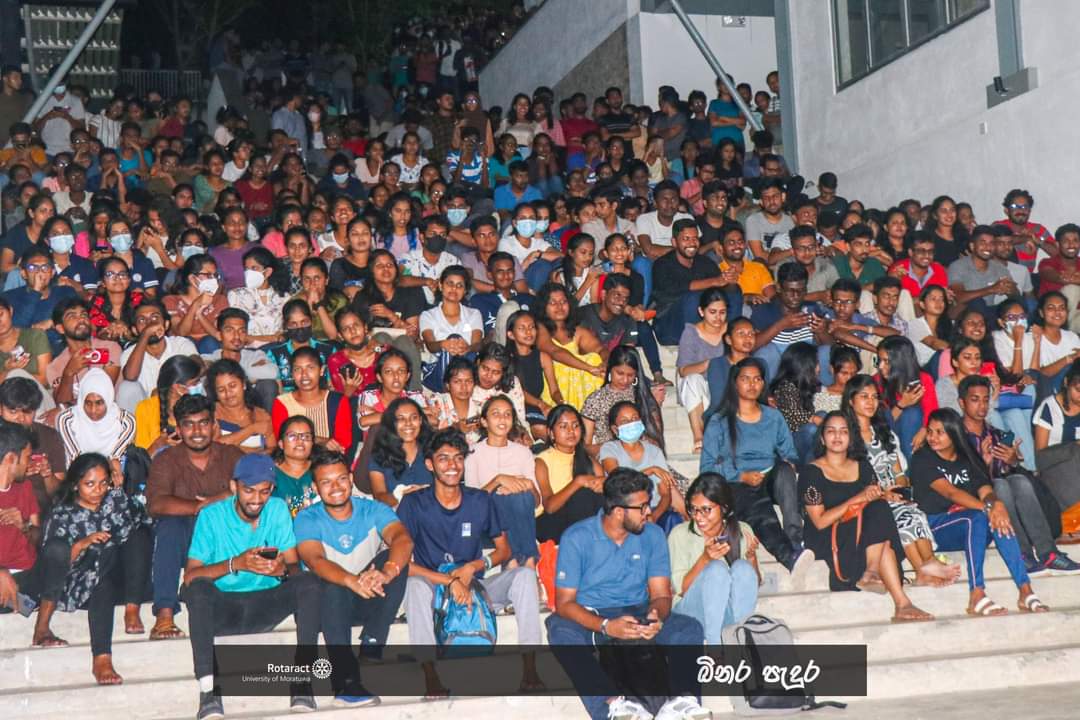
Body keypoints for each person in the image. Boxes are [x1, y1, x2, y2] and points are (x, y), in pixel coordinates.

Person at [546, 467, 709, 720]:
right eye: (642, 507)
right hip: (593, 615)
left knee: (688, 628)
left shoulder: (653, 534)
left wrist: (656, 617)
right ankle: (612, 707)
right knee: (559, 630)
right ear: (618, 511)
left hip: (638, 610)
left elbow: (661, 595)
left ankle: (682, 703)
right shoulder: (577, 537)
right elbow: (565, 603)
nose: (648, 512)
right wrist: (606, 626)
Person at [396, 428, 544, 699]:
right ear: (429, 464)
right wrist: (450, 581)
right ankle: (430, 674)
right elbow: (399, 562)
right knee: (414, 585)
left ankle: (531, 668)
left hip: (474, 587)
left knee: (524, 576)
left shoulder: (479, 500)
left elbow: (503, 550)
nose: (452, 465)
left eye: (457, 458)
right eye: (443, 459)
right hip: (434, 587)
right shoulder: (414, 503)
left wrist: (472, 568)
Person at [181, 453, 322, 718]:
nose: (257, 499)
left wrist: (282, 570)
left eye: (264, 491)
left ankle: (302, 681)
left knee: (308, 582)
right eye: (249, 490)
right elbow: (190, 576)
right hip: (224, 607)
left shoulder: (277, 509)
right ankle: (208, 691)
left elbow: (293, 565)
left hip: (265, 604)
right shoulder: (212, 516)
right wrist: (236, 563)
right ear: (234, 487)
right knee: (197, 589)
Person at [295, 448, 412, 706]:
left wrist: (386, 572)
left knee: (394, 560)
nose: (335, 487)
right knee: (331, 585)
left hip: (367, 597)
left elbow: (402, 538)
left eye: (341, 479)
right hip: (328, 608)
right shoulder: (307, 518)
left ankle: (372, 641)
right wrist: (352, 580)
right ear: (315, 488)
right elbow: (315, 560)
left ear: (350, 479)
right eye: (326, 482)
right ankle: (345, 683)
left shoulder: (372, 509)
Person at [28, 452, 152, 684]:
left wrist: (122, 493)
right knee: (101, 580)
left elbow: (143, 531)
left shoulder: (116, 500)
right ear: (75, 485)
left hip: (123, 579)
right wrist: (83, 544)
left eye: (103, 483)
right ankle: (102, 660)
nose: (98, 490)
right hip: (81, 584)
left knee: (138, 535)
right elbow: (54, 564)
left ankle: (132, 609)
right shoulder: (62, 513)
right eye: (90, 484)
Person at [911, 408, 1048, 616]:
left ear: (954, 433)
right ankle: (976, 593)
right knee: (977, 516)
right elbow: (950, 492)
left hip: (969, 525)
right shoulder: (922, 458)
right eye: (930, 431)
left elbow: (984, 489)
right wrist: (988, 508)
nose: (932, 437)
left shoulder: (967, 456)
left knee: (998, 517)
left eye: (939, 432)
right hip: (935, 527)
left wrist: (996, 504)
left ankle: (1025, 589)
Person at [799, 412, 934, 620]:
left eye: (844, 431)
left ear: (851, 437)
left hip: (862, 532)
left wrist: (884, 495)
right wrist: (857, 499)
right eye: (831, 431)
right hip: (828, 535)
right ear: (822, 438)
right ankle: (885, 586)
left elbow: (871, 500)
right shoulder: (811, 472)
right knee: (880, 529)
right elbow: (819, 521)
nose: (837, 436)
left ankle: (888, 589)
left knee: (880, 512)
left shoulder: (862, 466)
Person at [841, 375, 960, 586]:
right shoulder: (845, 437)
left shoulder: (884, 432)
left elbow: (899, 471)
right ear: (851, 400)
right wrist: (884, 494)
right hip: (867, 500)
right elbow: (849, 480)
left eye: (874, 397)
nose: (871, 402)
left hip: (894, 495)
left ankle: (923, 569)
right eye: (864, 397)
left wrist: (901, 488)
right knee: (905, 514)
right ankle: (928, 563)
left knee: (911, 509)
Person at [956, 375, 1080, 574]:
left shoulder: (996, 434)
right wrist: (984, 464)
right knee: (1001, 485)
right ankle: (1021, 553)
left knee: (1019, 480)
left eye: (986, 399)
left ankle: (1048, 552)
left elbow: (1006, 471)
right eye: (975, 400)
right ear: (962, 403)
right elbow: (958, 478)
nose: (982, 405)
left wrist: (1012, 460)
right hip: (973, 496)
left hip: (1001, 492)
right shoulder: (956, 437)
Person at [145, 395, 242, 642]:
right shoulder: (166, 459)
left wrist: (221, 497)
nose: (197, 431)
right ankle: (164, 615)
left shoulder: (232, 455)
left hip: (225, 536)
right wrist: (201, 506)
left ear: (214, 426)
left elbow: (254, 489)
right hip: (185, 538)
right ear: (178, 430)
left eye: (203, 423)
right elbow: (156, 503)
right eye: (189, 424)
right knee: (169, 526)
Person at [700, 358, 809, 573]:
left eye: (757, 379)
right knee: (756, 503)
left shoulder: (773, 417)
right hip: (735, 484)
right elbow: (707, 468)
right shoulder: (719, 421)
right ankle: (789, 556)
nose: (752, 384)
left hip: (769, 478)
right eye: (745, 379)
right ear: (735, 383)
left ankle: (795, 539)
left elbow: (789, 453)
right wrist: (740, 476)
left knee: (785, 470)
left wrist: (791, 463)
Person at [463, 394, 542, 566]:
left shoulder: (523, 452)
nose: (502, 419)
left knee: (520, 496)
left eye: (507, 414)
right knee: (500, 497)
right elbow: (471, 503)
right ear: (484, 421)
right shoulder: (473, 453)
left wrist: (529, 486)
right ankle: (528, 559)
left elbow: (536, 502)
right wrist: (499, 480)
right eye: (496, 414)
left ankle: (518, 561)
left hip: (521, 512)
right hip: (486, 520)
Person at [600, 400, 682, 526]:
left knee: (673, 518)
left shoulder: (654, 451)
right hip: (625, 510)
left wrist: (654, 516)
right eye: (625, 421)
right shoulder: (610, 449)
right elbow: (618, 481)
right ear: (615, 429)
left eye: (634, 418)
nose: (631, 423)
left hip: (653, 509)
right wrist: (651, 470)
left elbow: (665, 494)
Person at [270, 347, 359, 457]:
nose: (304, 375)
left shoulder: (337, 400)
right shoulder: (282, 403)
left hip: (328, 461)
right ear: (291, 373)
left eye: (310, 368)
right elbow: (283, 440)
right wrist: (321, 441)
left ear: (321, 370)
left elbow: (343, 442)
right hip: (295, 460)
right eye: (297, 369)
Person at [118, 300, 197, 413]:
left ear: (166, 324)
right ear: (135, 330)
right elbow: (130, 377)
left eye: (155, 318)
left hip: (183, 405)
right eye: (142, 320)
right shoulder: (129, 353)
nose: (150, 324)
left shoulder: (180, 344)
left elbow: (198, 367)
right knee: (126, 387)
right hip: (147, 412)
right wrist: (145, 336)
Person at [535, 283, 605, 410]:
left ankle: (592, 410)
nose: (559, 306)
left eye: (563, 302)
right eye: (553, 303)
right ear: (544, 307)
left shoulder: (577, 331)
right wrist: (588, 368)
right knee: (590, 364)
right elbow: (555, 352)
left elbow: (600, 350)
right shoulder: (539, 329)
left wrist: (604, 363)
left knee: (595, 359)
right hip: (554, 390)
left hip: (578, 390)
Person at [676, 288, 729, 452]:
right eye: (712, 312)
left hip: (722, 388)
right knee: (693, 379)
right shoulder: (691, 332)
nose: (718, 317)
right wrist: (710, 364)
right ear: (701, 311)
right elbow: (683, 370)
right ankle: (699, 436)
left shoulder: (731, 331)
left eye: (722, 312)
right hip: (695, 388)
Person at [419, 265, 483, 391]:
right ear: (441, 286)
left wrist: (468, 348)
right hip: (437, 372)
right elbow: (430, 345)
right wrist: (443, 344)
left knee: (461, 345)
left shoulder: (474, 314)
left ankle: (460, 385)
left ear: (465, 291)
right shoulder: (428, 315)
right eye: (450, 284)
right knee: (453, 339)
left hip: (467, 366)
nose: (454, 288)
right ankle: (448, 387)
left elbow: (477, 345)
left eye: (460, 285)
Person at [56, 368, 136, 465]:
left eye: (99, 403)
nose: (93, 410)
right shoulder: (66, 419)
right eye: (88, 403)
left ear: (108, 398)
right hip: (79, 471)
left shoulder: (126, 421)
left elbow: (115, 460)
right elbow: (76, 460)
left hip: (112, 471)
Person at [875, 336, 938, 460]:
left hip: (918, 432)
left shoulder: (923, 379)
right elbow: (882, 424)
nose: (880, 366)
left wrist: (924, 430)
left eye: (886, 361)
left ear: (901, 361)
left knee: (913, 413)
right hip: (887, 433)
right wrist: (902, 404)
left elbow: (932, 413)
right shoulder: (877, 382)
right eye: (879, 360)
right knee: (911, 413)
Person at [369, 397, 434, 509]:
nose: (408, 423)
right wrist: (400, 495)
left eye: (414, 418)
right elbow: (379, 497)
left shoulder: (433, 450)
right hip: (396, 514)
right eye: (401, 419)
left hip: (432, 512)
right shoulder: (380, 455)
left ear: (420, 421)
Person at [206, 358, 273, 452]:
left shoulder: (261, 415)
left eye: (232, 386)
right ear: (216, 393)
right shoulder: (211, 413)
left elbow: (272, 448)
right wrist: (252, 429)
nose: (228, 393)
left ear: (244, 384)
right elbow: (213, 448)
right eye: (221, 390)